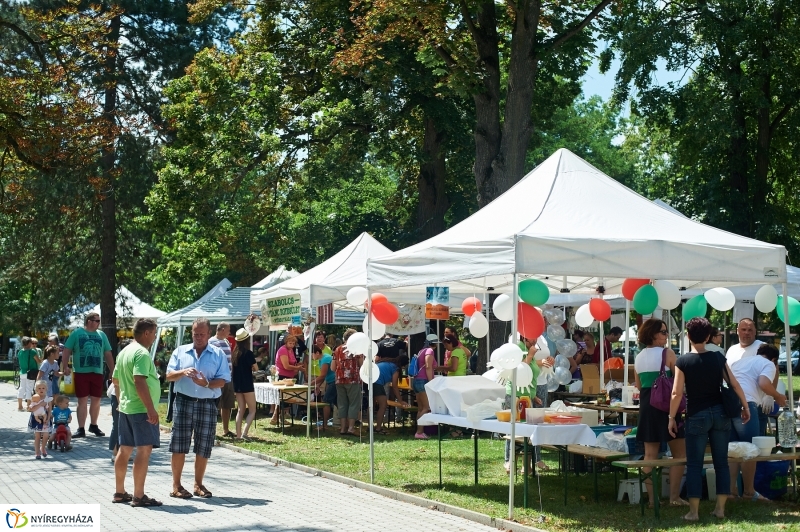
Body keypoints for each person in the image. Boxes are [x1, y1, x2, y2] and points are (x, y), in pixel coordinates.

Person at [669, 317, 749, 521]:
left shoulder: (683, 361)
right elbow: (735, 384)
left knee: (694, 464)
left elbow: (677, 393)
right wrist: (745, 405)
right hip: (720, 413)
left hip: (696, 415)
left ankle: (693, 512)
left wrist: (671, 417)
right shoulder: (717, 357)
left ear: (687, 336)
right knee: (721, 462)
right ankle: (720, 509)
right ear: (707, 337)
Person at [166, 318, 231, 499]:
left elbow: (223, 380)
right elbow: (168, 376)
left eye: (202, 334)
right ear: (191, 333)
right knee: (179, 445)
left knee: (204, 446)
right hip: (183, 402)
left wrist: (207, 383)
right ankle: (176, 486)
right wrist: (182, 372)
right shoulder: (181, 351)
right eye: (196, 334)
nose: (199, 337)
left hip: (207, 404)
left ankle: (198, 484)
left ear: (209, 334)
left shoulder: (218, 354)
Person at [633, 318, 688, 506]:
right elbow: (680, 383)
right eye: (663, 332)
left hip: (647, 406)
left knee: (650, 455)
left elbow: (639, 386)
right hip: (667, 406)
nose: (666, 335)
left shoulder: (638, 357)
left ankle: (651, 499)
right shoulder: (668, 353)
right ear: (653, 334)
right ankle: (674, 497)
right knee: (679, 454)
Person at [112, 318, 162, 508]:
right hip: (141, 409)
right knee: (144, 449)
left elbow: (115, 381)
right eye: (154, 333)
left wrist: (120, 401)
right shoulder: (141, 353)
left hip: (126, 407)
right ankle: (138, 496)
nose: (155, 336)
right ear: (147, 333)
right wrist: (150, 408)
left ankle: (120, 491)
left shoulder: (125, 351)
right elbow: (139, 380)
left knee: (124, 450)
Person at [728, 343, 786, 501]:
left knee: (733, 449)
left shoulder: (740, 362)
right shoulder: (768, 364)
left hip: (728, 405)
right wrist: (777, 396)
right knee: (750, 449)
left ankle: (731, 491)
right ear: (774, 359)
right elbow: (763, 383)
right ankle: (748, 492)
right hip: (746, 404)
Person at [62, 312, 114, 438]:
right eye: (97, 321)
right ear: (89, 321)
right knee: (82, 400)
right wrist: (65, 366)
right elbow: (67, 350)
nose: (98, 323)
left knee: (97, 400)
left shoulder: (102, 335)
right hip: (81, 372)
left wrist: (112, 370)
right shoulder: (77, 333)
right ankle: (81, 428)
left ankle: (94, 425)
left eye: (99, 321)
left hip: (97, 372)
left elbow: (107, 354)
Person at [503, 337, 544, 474]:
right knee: (514, 428)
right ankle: (509, 461)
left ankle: (526, 466)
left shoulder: (527, 349)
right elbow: (519, 371)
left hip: (527, 395)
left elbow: (529, 376)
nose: (535, 340)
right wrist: (531, 354)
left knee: (528, 429)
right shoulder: (518, 347)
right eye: (533, 337)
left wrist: (534, 396)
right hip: (515, 395)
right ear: (525, 336)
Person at [231, 328, 266, 440]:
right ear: (246, 340)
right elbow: (255, 368)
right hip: (247, 384)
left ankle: (238, 435)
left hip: (237, 384)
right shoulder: (249, 353)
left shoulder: (234, 353)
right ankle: (245, 433)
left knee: (241, 409)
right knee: (252, 410)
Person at [331, 329, 363, 436]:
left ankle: (342, 428)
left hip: (339, 379)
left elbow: (332, 367)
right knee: (353, 403)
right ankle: (351, 428)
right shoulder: (357, 349)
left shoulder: (337, 349)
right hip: (353, 379)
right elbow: (361, 365)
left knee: (342, 404)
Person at [270, 334, 306, 425]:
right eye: (290, 343)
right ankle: (275, 417)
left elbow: (293, 363)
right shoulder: (283, 350)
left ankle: (280, 418)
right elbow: (286, 366)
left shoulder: (290, 350)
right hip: (282, 376)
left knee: (286, 399)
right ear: (286, 342)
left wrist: (298, 364)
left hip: (290, 376)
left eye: (293, 343)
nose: (292, 345)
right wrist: (298, 368)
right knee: (282, 398)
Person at [207, 322, 235, 438]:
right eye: (228, 330)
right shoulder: (211, 342)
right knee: (214, 405)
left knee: (227, 404)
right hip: (217, 378)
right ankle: (210, 430)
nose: (229, 333)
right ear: (222, 329)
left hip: (228, 378)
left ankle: (226, 430)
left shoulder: (227, 341)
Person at [372, 354, 409, 434]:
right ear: (403, 364)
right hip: (377, 383)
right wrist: (400, 401)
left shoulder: (388, 362)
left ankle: (370, 427)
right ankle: (378, 429)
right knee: (383, 406)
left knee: (371, 405)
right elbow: (395, 386)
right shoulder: (395, 368)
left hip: (370, 381)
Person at [412, 336, 438, 440]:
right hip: (423, 381)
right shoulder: (430, 351)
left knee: (421, 409)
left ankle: (419, 431)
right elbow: (428, 366)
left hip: (416, 381)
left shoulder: (421, 351)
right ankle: (419, 432)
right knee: (426, 408)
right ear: (434, 343)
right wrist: (431, 382)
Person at [27, 380, 52, 459]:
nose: (41, 390)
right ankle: (37, 452)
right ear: (36, 390)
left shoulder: (48, 399)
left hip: (45, 418)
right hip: (36, 418)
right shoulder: (34, 398)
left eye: (43, 388)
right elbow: (30, 409)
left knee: (46, 435)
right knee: (37, 436)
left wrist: (48, 419)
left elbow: (49, 410)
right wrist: (40, 404)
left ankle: (43, 447)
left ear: (46, 389)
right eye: (39, 388)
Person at [17, 337, 41, 412]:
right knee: (29, 389)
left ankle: (20, 406)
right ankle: (28, 406)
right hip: (31, 372)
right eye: (31, 342)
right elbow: (38, 361)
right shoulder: (32, 352)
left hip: (22, 372)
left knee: (21, 388)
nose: (32, 344)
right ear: (28, 343)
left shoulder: (20, 352)